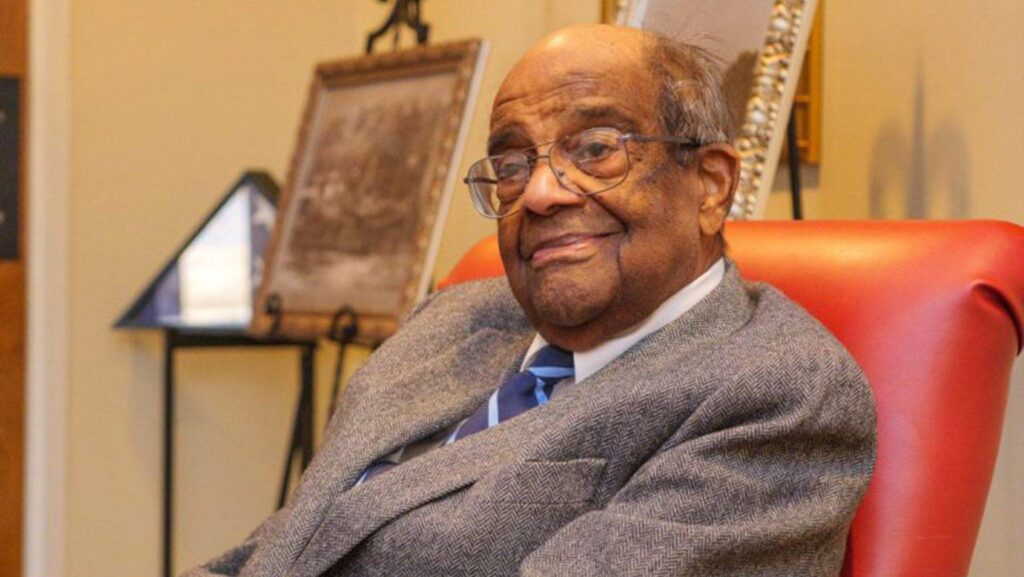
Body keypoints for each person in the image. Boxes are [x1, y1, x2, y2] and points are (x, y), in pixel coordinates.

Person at [186, 24, 875, 577]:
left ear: (711, 184)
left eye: (596, 148)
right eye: (513, 165)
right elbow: (295, 541)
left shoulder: (778, 394)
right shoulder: (451, 319)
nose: (540, 193)